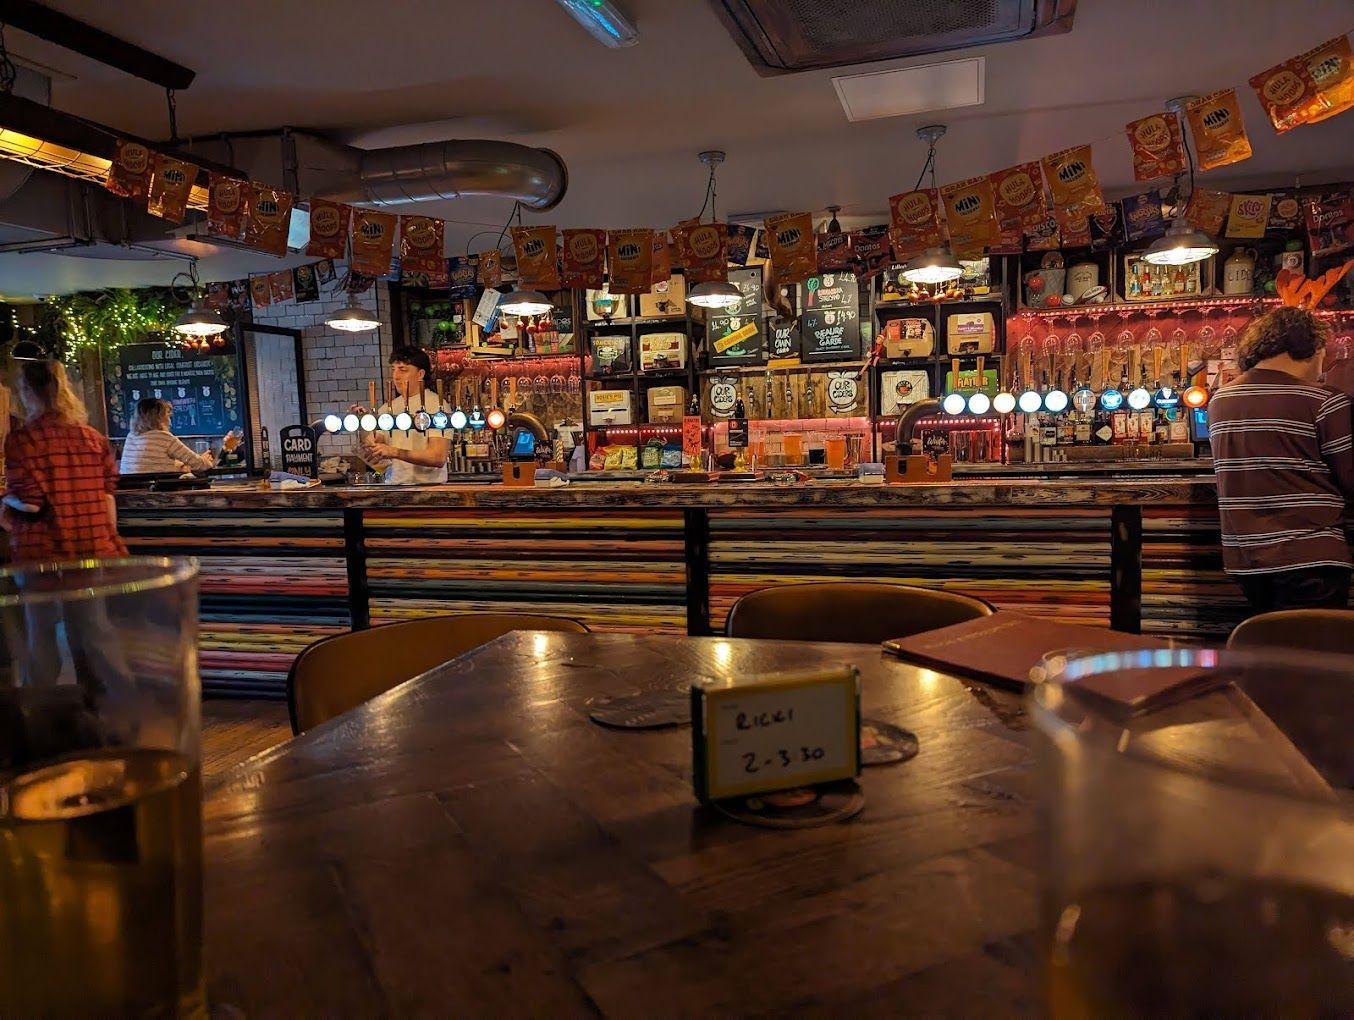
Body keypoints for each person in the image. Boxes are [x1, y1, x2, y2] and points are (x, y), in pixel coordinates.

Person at [1208, 307, 1354, 613]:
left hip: (1246, 560)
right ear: (1311, 347)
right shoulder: (1324, 401)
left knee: (1273, 647)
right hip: (1311, 556)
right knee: (1313, 656)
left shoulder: (1220, 400)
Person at [2, 360, 132, 697]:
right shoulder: (92, 438)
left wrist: (5, 499)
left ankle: (39, 719)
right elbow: (107, 498)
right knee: (93, 632)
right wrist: (110, 540)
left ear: (27, 392)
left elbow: (30, 503)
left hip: (42, 552)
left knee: (42, 635)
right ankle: (116, 710)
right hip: (92, 546)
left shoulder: (23, 441)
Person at [351, 346, 449, 484]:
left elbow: (438, 457)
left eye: (403, 370)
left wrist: (395, 452)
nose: (396, 376)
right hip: (393, 487)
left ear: (420, 374)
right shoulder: (387, 408)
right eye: (393, 370)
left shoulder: (436, 405)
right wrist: (363, 423)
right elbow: (375, 444)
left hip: (429, 488)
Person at [119, 397, 240, 475]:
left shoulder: (131, 437)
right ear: (158, 418)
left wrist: (184, 466)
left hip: (131, 497)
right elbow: (201, 465)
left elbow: (155, 463)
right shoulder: (164, 438)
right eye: (168, 415)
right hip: (161, 495)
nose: (170, 420)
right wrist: (204, 460)